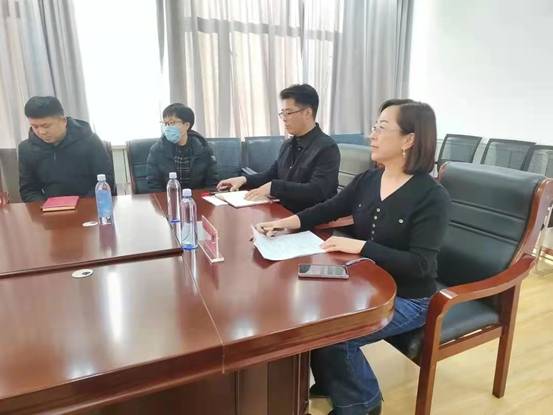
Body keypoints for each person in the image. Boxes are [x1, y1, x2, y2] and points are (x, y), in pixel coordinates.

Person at [255, 99, 451, 415]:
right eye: (374, 127)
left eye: (381, 128)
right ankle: (334, 380)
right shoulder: (369, 180)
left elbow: (421, 265)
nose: (372, 135)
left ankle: (364, 403)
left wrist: (360, 247)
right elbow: (328, 208)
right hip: (365, 282)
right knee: (308, 308)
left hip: (409, 297)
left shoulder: (432, 196)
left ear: (409, 140)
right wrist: (285, 223)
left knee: (336, 335)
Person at [217, 84, 340, 213]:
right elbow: (272, 174)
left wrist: (274, 187)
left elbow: (317, 191)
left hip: (308, 218)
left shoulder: (327, 148)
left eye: (289, 113)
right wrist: (243, 179)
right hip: (282, 211)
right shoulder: (288, 145)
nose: (284, 118)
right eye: (283, 113)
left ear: (307, 112)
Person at [18, 96, 114, 203]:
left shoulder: (90, 140)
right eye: (35, 127)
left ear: (63, 121)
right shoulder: (26, 149)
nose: (41, 132)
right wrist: (47, 205)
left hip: (88, 205)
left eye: (46, 126)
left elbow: (106, 180)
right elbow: (28, 190)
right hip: (49, 208)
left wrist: (82, 204)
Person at [147, 103, 218, 191]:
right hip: (169, 197)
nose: (168, 128)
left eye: (172, 123)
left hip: (198, 197)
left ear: (187, 125)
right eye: (166, 124)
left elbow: (212, 182)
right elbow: (153, 184)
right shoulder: (157, 150)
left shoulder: (204, 149)